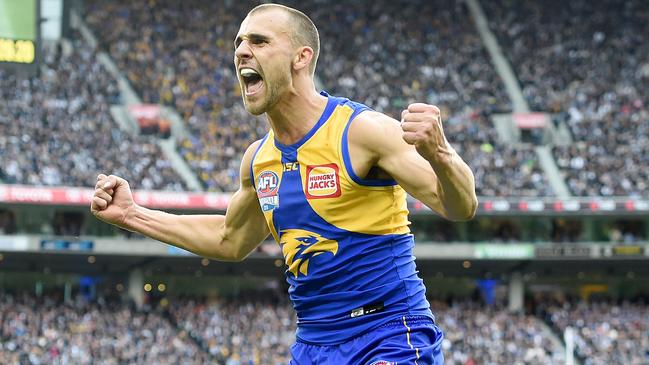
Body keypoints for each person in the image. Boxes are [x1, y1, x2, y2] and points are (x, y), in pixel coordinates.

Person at [91, 3, 477, 364]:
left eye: (258, 41)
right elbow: (230, 239)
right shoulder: (258, 160)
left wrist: (440, 153)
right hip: (313, 344)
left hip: (389, 333)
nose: (242, 51)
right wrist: (131, 215)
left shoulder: (363, 131)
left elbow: (459, 206)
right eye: (238, 42)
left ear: (301, 57)